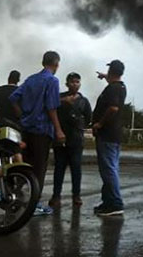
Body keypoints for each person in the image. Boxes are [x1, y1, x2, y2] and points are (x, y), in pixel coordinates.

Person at [9, 51, 66, 216]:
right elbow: (51, 107)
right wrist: (58, 129)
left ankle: (12, 196)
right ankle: (34, 204)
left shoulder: (30, 80)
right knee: (39, 169)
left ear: (43, 62)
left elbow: (13, 98)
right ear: (56, 64)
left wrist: (22, 116)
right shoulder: (52, 81)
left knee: (23, 165)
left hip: (26, 129)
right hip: (42, 130)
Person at [48, 72, 92, 208]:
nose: (75, 84)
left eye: (77, 82)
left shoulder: (84, 101)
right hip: (60, 140)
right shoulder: (59, 98)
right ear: (67, 83)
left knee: (76, 169)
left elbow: (88, 118)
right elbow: (50, 108)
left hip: (76, 141)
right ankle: (56, 197)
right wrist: (63, 101)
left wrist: (79, 127)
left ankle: (76, 196)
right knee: (59, 169)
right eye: (72, 81)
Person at [92, 59, 127, 216]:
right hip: (114, 135)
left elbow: (113, 108)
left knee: (109, 170)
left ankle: (115, 203)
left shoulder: (112, 89)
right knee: (110, 168)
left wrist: (99, 123)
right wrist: (104, 76)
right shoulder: (120, 86)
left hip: (107, 134)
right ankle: (108, 202)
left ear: (112, 71)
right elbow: (112, 79)